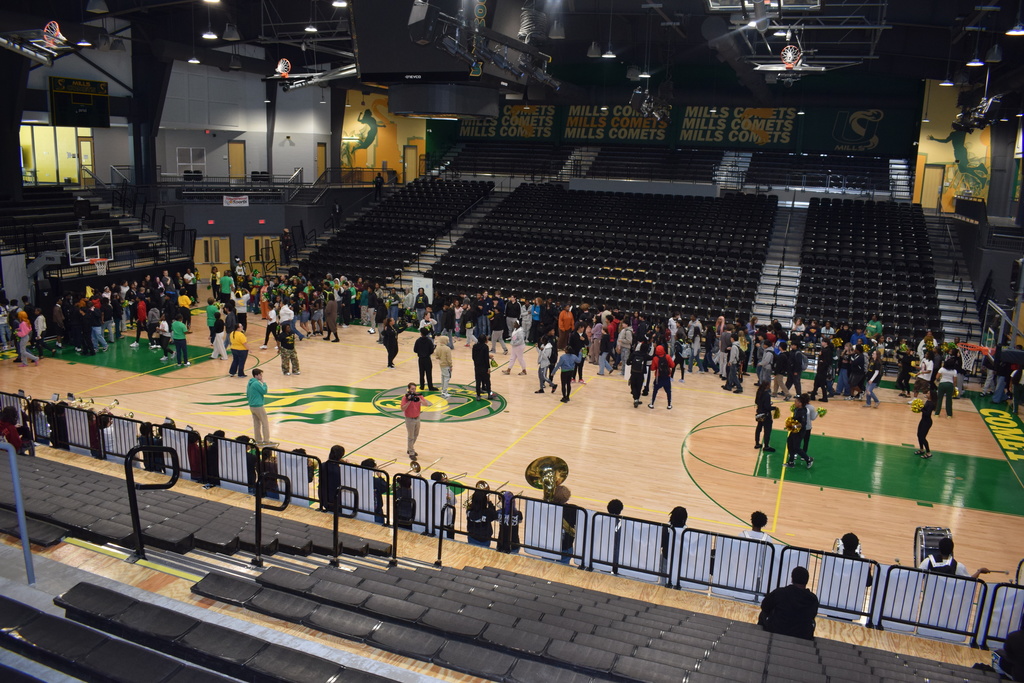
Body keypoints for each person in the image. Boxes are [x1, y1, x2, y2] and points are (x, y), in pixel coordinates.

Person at [758, 566, 818, 640]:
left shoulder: (780, 592)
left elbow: (765, 606)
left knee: (763, 613)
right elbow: (812, 615)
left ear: (792, 579)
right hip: (802, 635)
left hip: (778, 631)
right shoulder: (813, 599)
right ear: (807, 581)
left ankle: (760, 638)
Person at [918, 537, 990, 579]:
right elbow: (970, 580)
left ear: (939, 549)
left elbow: (916, 576)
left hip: (929, 601)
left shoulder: (927, 562)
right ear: (952, 551)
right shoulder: (958, 566)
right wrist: (979, 571)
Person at [401, 382, 432, 457]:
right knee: (411, 436)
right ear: (408, 389)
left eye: (414, 389)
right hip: (409, 419)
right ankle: (411, 452)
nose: (413, 390)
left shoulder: (419, 395)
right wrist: (409, 401)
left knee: (416, 435)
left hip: (417, 417)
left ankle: (410, 448)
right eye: (412, 389)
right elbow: (402, 408)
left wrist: (419, 400)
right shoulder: (405, 398)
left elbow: (426, 404)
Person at [785, 395, 813, 469]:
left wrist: (795, 426)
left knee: (796, 447)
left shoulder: (803, 411)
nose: (795, 402)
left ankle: (808, 459)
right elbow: (795, 418)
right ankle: (791, 462)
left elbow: (803, 423)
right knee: (790, 443)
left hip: (800, 432)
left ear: (800, 403)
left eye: (796, 401)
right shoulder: (796, 409)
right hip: (794, 431)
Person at [247, 368, 272, 446]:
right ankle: (266, 440)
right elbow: (264, 391)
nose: (261, 376)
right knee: (265, 423)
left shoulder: (249, 383)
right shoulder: (256, 383)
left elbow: (247, 394)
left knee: (256, 423)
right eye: (260, 375)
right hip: (258, 406)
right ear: (256, 375)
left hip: (252, 406)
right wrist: (264, 383)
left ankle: (258, 440)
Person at [648, 344, 675, 410]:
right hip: (667, 376)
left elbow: (652, 368)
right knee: (668, 391)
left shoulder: (655, 358)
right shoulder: (667, 357)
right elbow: (672, 365)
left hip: (658, 377)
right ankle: (669, 405)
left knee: (655, 390)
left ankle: (652, 404)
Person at [754, 381, 777, 452]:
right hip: (766, 415)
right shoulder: (767, 395)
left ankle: (757, 443)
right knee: (767, 430)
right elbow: (767, 407)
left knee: (759, 428)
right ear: (767, 386)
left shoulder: (759, 392)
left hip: (759, 413)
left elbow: (756, 402)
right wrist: (774, 408)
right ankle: (766, 446)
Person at [473, 333, 495, 400]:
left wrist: (476, 363)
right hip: (484, 367)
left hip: (477, 366)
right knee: (487, 381)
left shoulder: (474, 346)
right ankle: (489, 394)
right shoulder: (485, 347)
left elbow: (473, 357)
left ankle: (478, 395)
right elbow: (485, 359)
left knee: (478, 381)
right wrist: (488, 367)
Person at [916, 387, 936, 459]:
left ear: (931, 395)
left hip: (927, 422)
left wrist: (921, 409)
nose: (927, 394)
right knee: (918, 435)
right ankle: (921, 449)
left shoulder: (931, 404)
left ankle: (928, 452)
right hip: (923, 420)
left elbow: (927, 413)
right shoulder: (928, 401)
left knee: (923, 437)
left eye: (928, 393)